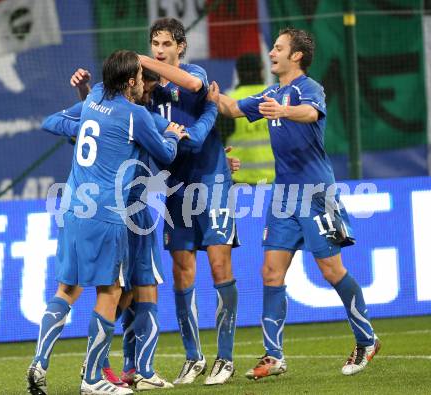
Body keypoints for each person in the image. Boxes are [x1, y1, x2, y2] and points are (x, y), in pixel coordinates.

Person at [208, 27, 380, 380]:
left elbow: (310, 114)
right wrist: (206, 94)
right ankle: (274, 356)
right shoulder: (272, 92)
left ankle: (367, 340)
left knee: (331, 271)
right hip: (283, 195)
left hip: (316, 193)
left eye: (278, 47)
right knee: (270, 271)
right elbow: (229, 108)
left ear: (296, 55)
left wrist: (283, 111)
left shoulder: (308, 89)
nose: (271, 52)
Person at [26, 50, 186, 395]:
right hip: (105, 212)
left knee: (66, 289)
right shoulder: (136, 115)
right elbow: (167, 154)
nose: (144, 82)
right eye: (141, 77)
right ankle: (93, 378)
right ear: (131, 82)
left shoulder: (96, 95)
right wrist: (172, 132)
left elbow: (60, 122)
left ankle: (39, 362)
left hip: (71, 207)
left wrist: (81, 124)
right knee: (111, 291)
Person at [139, 17, 239, 385]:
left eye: (166, 44)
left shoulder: (193, 74)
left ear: (180, 47)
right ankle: (193, 357)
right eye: (154, 44)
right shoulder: (148, 92)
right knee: (182, 270)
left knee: (218, 264)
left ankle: (225, 358)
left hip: (211, 179)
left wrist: (204, 117)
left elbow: (195, 136)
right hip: (175, 187)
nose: (159, 50)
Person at [221, 53, 275, 184]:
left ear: (238, 74)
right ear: (262, 71)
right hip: (274, 180)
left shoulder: (228, 101)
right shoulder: (275, 97)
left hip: (238, 180)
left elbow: (218, 141)